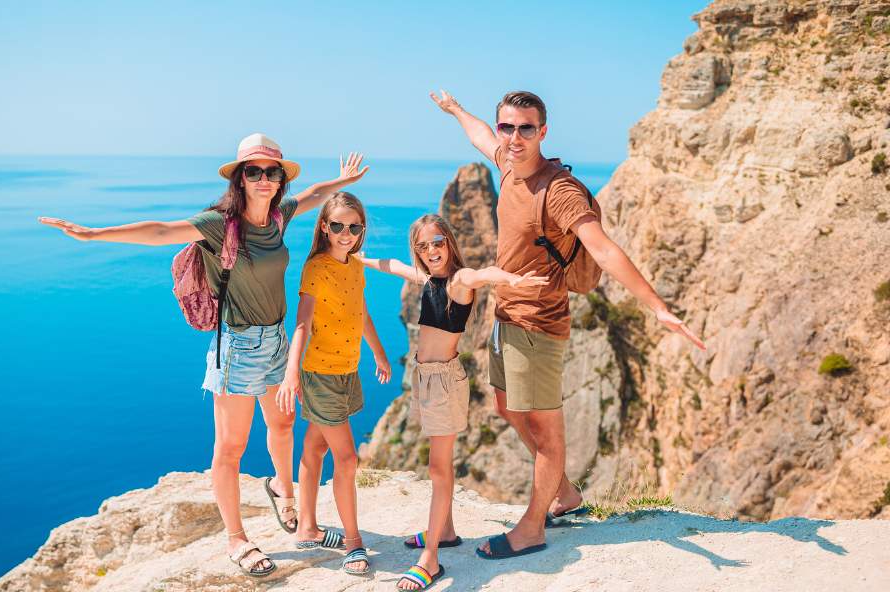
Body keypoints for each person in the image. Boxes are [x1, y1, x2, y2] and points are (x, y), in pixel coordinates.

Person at [39, 133, 369, 577]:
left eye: (272, 172)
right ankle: (237, 538)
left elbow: (312, 196)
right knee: (231, 448)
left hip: (276, 340)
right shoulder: (219, 223)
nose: (265, 179)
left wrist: (340, 180)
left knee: (283, 423)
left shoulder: (278, 216)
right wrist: (96, 234)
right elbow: (160, 230)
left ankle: (281, 490)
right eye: (254, 172)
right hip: (237, 345)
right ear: (240, 177)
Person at [429, 90, 705, 559]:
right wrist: (456, 111)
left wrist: (656, 305)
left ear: (543, 132)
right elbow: (479, 138)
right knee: (507, 408)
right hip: (506, 317)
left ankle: (533, 527)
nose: (514, 138)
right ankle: (566, 494)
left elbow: (603, 249)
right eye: (507, 127)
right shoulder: (509, 164)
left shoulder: (558, 190)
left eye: (526, 129)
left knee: (546, 432)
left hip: (537, 325)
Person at [361, 214, 548, 590]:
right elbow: (393, 266)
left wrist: (513, 280)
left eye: (438, 242)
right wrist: (355, 257)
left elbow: (484, 274)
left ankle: (430, 559)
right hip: (426, 380)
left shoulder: (459, 280)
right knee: (436, 461)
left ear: (449, 242)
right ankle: (444, 531)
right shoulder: (428, 279)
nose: (432, 250)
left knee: (439, 468)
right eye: (424, 245)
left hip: (444, 382)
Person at [275, 192, 391, 576]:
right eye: (337, 225)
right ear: (324, 226)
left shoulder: (354, 265)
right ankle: (354, 544)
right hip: (319, 373)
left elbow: (361, 312)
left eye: (353, 227)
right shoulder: (316, 268)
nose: (345, 233)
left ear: (361, 230)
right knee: (347, 458)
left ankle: (306, 527)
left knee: (316, 445)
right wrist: (292, 373)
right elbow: (302, 323)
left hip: (347, 370)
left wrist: (378, 352)